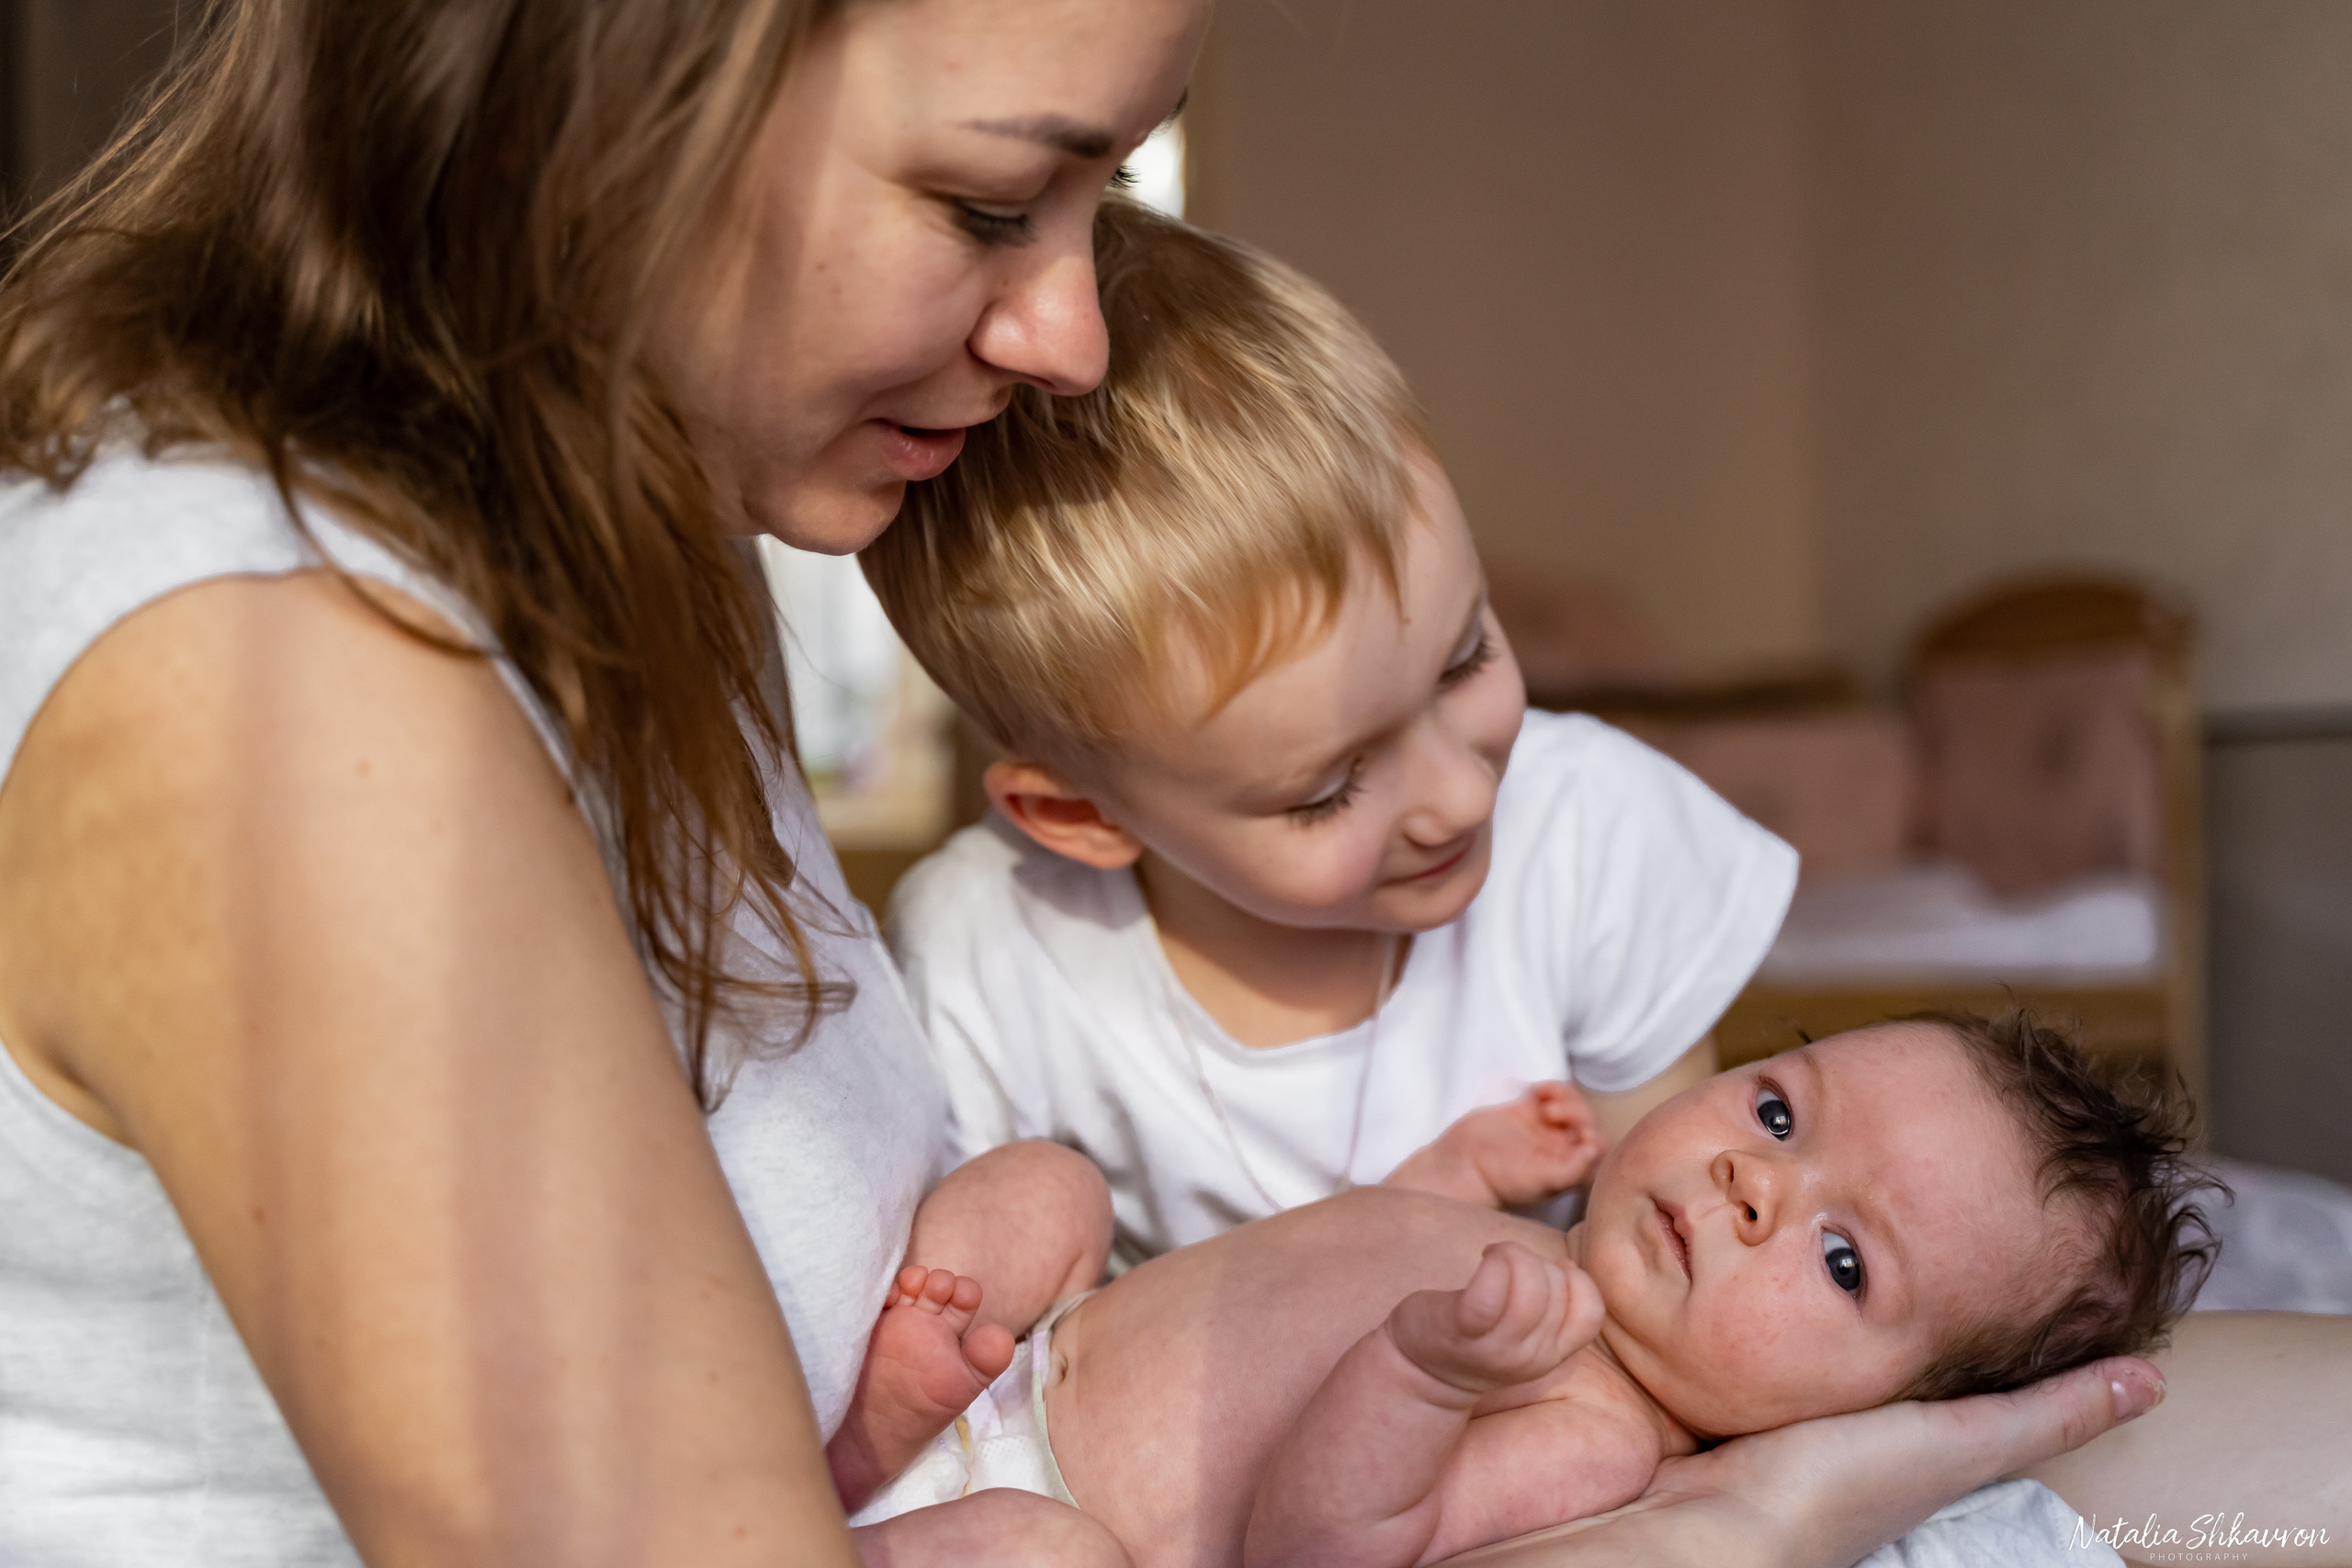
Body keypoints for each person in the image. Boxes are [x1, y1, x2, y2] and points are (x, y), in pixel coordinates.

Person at [0, 5, 2321, 1567]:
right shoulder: (289, 680)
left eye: (1100, 200)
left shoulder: (623, 567)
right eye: (989, 203)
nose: (1071, 334)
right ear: (603, 108)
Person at [866, 200, 1795, 1268]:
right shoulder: (991, 953)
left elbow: (1681, 1284)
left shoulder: (1592, 835)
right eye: (1328, 790)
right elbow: (995, 1335)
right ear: (1082, 814)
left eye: (1463, 660)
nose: (1461, 797)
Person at [846, 1015, 2210, 1568]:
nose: (1752, 1181)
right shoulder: (1533, 1259)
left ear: (1867, 1409)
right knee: (1050, 1184)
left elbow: (1318, 1549)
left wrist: (1424, 1374)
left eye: (1843, 1258)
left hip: (1045, 1502)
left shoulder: (1595, 1432)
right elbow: (1321, 1256)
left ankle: (832, 1512)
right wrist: (1447, 1176)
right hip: (1039, 1346)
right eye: (1780, 1111)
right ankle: (874, 1411)